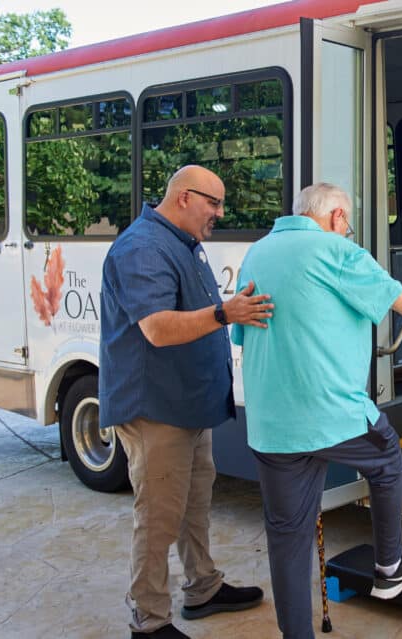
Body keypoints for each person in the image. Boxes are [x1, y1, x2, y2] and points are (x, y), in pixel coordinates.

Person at [232, 182, 402, 639]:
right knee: (387, 457)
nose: (347, 227)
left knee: (288, 541)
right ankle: (389, 567)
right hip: (329, 413)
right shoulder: (338, 252)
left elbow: (242, 334)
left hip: (270, 423)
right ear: (335, 217)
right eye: (346, 219)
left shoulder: (257, 254)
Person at [100, 165, 274, 639]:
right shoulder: (141, 248)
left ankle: (202, 587)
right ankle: (150, 621)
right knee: (158, 517)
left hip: (187, 405)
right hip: (156, 409)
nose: (219, 213)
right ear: (182, 198)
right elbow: (157, 327)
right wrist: (225, 312)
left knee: (193, 503)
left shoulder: (181, 242)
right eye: (213, 203)